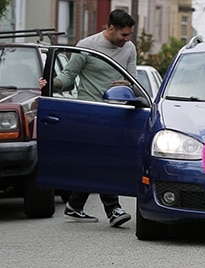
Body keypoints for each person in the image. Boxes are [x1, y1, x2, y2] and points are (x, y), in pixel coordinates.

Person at [39, 9, 136, 227]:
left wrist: (127, 84)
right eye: (124, 35)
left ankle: (74, 206)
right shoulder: (87, 45)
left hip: (115, 113)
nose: (127, 39)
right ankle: (113, 209)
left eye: (129, 35)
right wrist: (50, 85)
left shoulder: (129, 48)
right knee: (104, 159)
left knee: (93, 161)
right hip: (89, 113)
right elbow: (68, 76)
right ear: (111, 28)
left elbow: (132, 78)